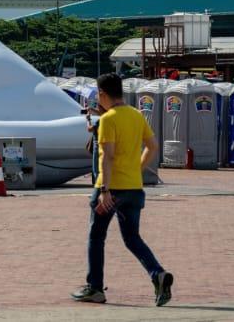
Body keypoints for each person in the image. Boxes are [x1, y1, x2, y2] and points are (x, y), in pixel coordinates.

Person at [71, 73, 173, 307]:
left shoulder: (108, 119)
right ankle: (157, 274)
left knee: (96, 236)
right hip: (134, 188)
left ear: (103, 94)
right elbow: (152, 147)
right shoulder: (136, 116)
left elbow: (107, 156)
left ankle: (95, 288)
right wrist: (136, 169)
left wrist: (105, 189)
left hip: (111, 188)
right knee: (132, 238)